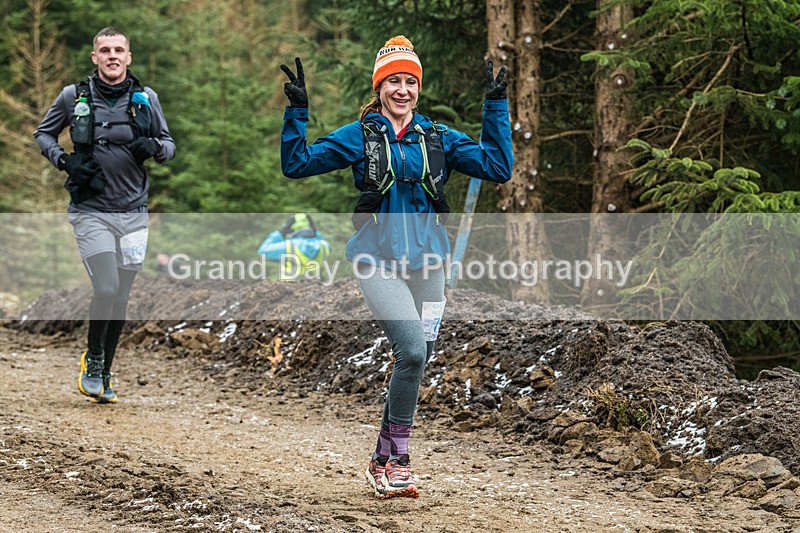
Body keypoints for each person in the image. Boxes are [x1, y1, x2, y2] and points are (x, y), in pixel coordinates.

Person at [280, 36, 512, 498]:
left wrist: (496, 107)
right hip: (376, 261)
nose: (402, 90)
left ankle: (380, 461)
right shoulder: (360, 135)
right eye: (393, 82)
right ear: (379, 87)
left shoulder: (438, 137)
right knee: (411, 351)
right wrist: (297, 111)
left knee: (417, 357)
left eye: (410, 81)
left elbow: (498, 167)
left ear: (418, 88)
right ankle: (400, 460)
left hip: (430, 264)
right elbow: (296, 164)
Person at [34, 27, 176, 403]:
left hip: (134, 213)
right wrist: (63, 160)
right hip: (91, 210)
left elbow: (169, 145)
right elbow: (43, 134)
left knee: (122, 298)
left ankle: (106, 370)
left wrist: (155, 147)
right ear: (94, 57)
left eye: (119, 50)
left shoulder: (146, 99)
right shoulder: (73, 96)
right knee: (107, 288)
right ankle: (93, 358)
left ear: (128, 57)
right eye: (105, 50)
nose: (112, 56)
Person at [257, 213, 331, 280]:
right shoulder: (323, 245)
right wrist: (315, 231)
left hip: (289, 287)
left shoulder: (288, 245)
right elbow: (322, 240)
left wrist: (281, 232)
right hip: (315, 286)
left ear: (291, 229)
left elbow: (263, 250)